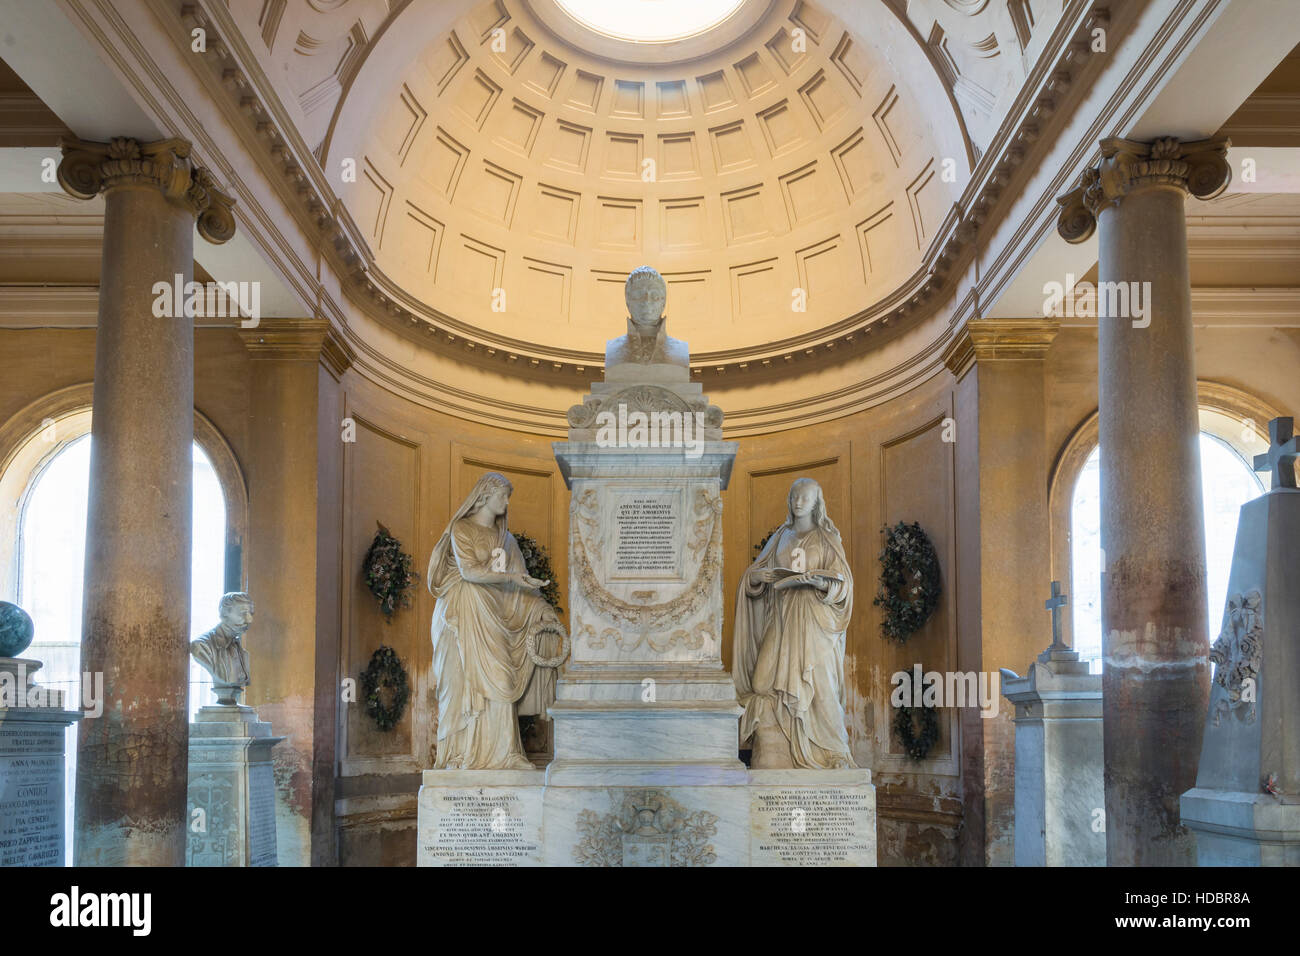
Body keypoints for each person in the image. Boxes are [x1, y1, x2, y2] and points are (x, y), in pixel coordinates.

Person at [426, 472, 564, 770]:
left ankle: (507, 753)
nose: (506, 501)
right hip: (459, 616)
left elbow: (516, 589)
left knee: (500, 676)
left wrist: (541, 608)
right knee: (459, 685)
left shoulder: (507, 541)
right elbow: (470, 572)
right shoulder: (461, 529)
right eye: (503, 495)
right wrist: (512, 577)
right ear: (485, 495)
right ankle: (458, 755)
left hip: (495, 618)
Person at [733, 478, 856, 769]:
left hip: (816, 621)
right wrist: (755, 578)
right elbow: (755, 574)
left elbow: (844, 585)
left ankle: (833, 752)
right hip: (783, 615)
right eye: (794, 496)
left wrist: (821, 583)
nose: (798, 502)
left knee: (820, 685)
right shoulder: (781, 537)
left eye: (805, 497)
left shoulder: (827, 539)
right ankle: (776, 753)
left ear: (816, 503)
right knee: (761, 683)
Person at [190, 592, 254, 704]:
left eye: (251, 613)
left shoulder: (239, 648)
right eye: (243, 613)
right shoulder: (201, 646)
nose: (249, 620)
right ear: (224, 614)